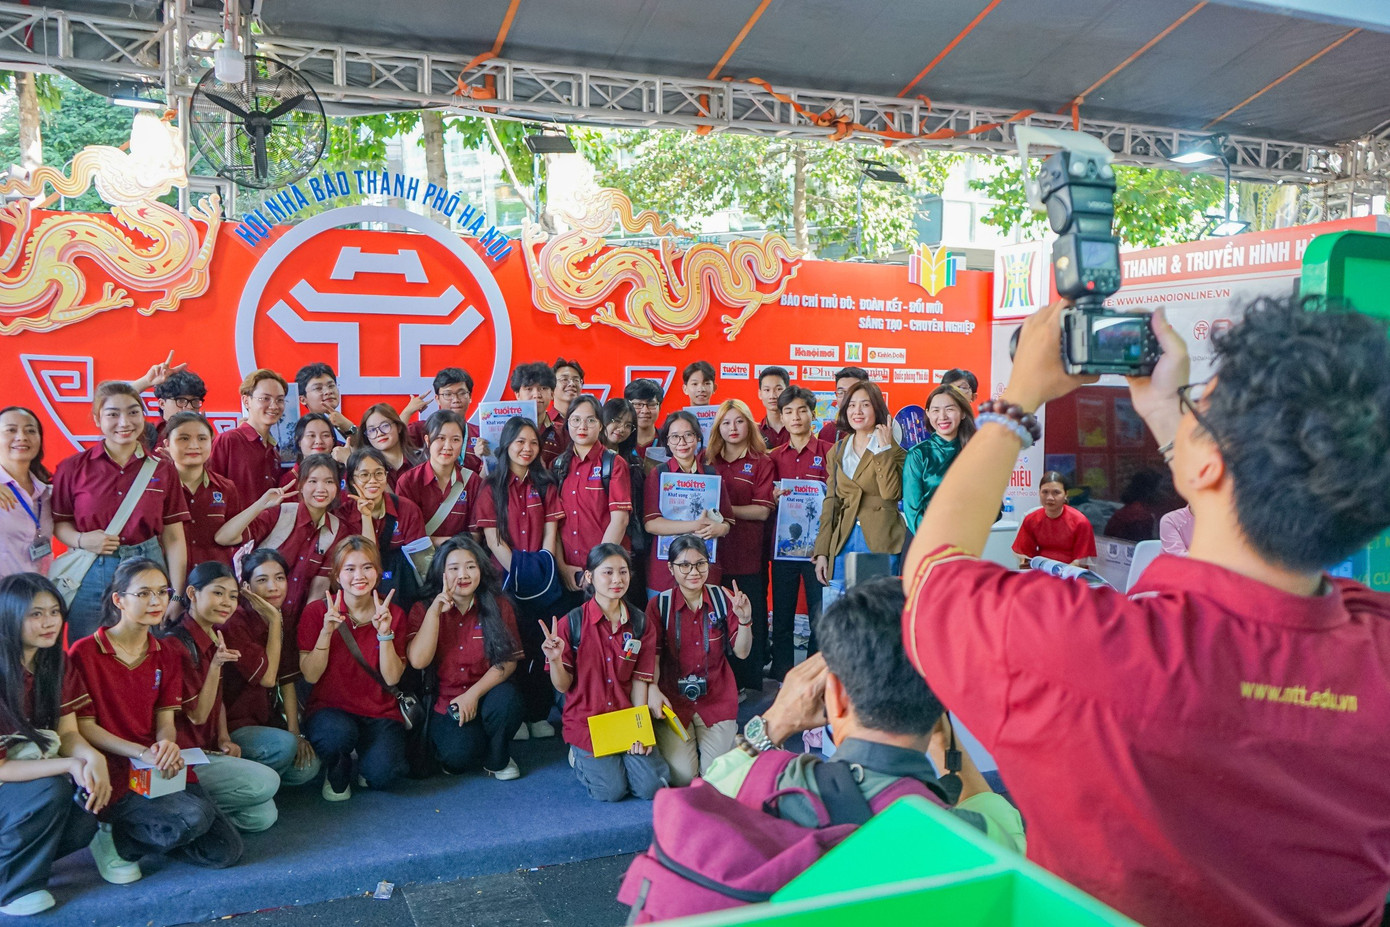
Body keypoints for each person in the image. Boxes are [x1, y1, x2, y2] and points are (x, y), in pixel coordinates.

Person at [903, 296, 1390, 927]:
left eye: (1199, 404)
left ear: (1209, 463)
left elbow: (933, 568)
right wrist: (1171, 415)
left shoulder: (1088, 650)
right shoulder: (1375, 645)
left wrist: (1016, 402)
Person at [704, 576, 1022, 842]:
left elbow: (708, 793)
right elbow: (998, 817)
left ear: (837, 696)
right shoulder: (984, 835)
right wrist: (939, 728)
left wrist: (777, 719)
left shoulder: (766, 790)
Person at [70, 559, 241, 874]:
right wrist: (142, 752)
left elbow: (166, 719)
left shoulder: (165, 652)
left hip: (156, 766)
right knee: (193, 817)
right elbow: (84, 728)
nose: (156, 601)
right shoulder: (84, 652)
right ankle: (113, 835)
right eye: (144, 593)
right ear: (119, 600)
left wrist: (166, 745)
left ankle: (146, 833)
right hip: (114, 769)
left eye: (163, 592)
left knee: (225, 851)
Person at [0, 573, 109, 915]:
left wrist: (92, 758)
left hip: (25, 769)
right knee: (51, 790)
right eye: (35, 614)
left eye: (54, 612)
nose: (49, 622)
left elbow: (69, 733)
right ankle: (12, 888)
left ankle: (21, 861)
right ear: (9, 616)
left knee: (88, 806)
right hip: (9, 773)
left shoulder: (54, 661)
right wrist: (67, 764)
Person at [52, 381, 190, 639]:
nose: (124, 422)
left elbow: (173, 536)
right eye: (113, 414)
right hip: (92, 571)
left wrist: (177, 595)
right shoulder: (72, 468)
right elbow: (60, 524)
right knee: (88, 654)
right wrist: (82, 539)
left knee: (147, 654)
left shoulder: (162, 468)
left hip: (148, 569)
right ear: (97, 419)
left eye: (133, 412)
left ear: (143, 415)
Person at [540, 543, 669, 802]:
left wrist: (638, 731)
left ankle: (619, 759)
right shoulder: (571, 623)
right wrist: (555, 660)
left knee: (651, 788)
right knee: (611, 791)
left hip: (624, 717)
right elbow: (563, 687)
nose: (617, 580)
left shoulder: (641, 623)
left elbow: (639, 682)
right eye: (607, 572)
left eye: (623, 572)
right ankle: (578, 755)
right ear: (589, 577)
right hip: (587, 722)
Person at [213, 453, 349, 684]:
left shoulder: (337, 530)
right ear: (300, 485)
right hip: (252, 622)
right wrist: (261, 504)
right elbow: (224, 537)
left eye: (329, 482)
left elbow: (319, 588)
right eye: (313, 481)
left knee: (287, 686)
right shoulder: (280, 514)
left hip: (294, 624)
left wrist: (308, 631)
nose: (321, 488)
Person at [166, 562, 281, 833]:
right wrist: (215, 666)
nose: (226, 603)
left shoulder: (215, 634)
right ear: (193, 594)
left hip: (209, 748)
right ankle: (184, 813)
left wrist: (225, 737)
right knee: (266, 783)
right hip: (185, 755)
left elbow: (218, 701)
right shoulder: (176, 644)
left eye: (232, 596)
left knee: (263, 817)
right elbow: (197, 715)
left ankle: (197, 816)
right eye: (218, 593)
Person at [297, 537, 410, 801]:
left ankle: (367, 762)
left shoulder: (393, 613)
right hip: (331, 710)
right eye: (349, 569)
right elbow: (310, 675)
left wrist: (385, 634)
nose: (359, 575)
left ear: (378, 573)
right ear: (337, 574)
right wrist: (326, 633)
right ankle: (337, 767)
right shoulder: (316, 613)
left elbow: (392, 677)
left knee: (382, 776)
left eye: (367, 567)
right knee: (336, 736)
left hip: (379, 710)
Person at [475, 416, 564, 739]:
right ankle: (516, 718)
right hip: (505, 580)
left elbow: (551, 531)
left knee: (542, 645)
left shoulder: (546, 484)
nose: (526, 449)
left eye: (533, 443)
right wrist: (519, 571)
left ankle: (538, 712)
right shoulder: (491, 486)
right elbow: (492, 537)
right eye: (519, 442)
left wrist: (543, 567)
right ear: (506, 445)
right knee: (511, 647)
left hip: (543, 578)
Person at [407, 537, 524, 779]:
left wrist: (473, 695)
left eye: (471, 566)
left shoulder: (498, 605)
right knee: (457, 759)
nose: (464, 574)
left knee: (509, 700)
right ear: (441, 572)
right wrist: (434, 613)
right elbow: (418, 661)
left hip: (488, 693)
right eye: (454, 568)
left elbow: (508, 661)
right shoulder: (422, 608)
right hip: (446, 702)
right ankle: (479, 740)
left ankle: (498, 758)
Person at [646, 535, 751, 785]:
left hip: (716, 697)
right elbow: (654, 658)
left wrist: (745, 619)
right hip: (674, 702)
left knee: (715, 777)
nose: (693, 572)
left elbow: (743, 652)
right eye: (684, 565)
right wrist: (652, 689)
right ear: (671, 568)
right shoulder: (659, 605)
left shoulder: (723, 599)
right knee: (683, 777)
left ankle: (728, 741)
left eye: (700, 564)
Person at [220, 549, 319, 787]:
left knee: (309, 767)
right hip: (234, 727)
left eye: (280, 578)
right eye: (262, 580)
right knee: (284, 747)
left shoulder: (284, 614)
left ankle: (261, 779)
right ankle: (245, 782)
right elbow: (267, 678)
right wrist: (275, 622)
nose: (274, 587)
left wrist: (296, 733)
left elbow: (287, 679)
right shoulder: (236, 621)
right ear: (246, 587)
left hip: (266, 721)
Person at [811, 380, 904, 609]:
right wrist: (822, 550)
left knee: (876, 612)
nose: (857, 411)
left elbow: (891, 493)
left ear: (878, 409)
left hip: (879, 537)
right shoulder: (839, 449)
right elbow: (831, 501)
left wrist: (883, 450)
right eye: (852, 405)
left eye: (865, 405)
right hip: (843, 537)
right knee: (840, 611)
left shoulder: (895, 449)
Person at [706, 400, 773, 693]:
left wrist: (723, 510)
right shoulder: (706, 461)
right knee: (714, 623)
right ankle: (718, 683)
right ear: (718, 428)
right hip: (709, 557)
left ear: (749, 424)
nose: (733, 428)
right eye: (726, 423)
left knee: (747, 619)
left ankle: (746, 684)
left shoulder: (762, 462)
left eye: (739, 421)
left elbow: (762, 511)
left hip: (746, 556)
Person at [767, 387, 830, 680]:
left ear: (812, 414)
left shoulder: (830, 452)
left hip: (819, 550)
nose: (795, 417)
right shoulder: (772, 457)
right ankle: (783, 674)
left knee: (819, 617)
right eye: (789, 411)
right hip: (784, 550)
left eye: (802, 410)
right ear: (781, 416)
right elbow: (763, 498)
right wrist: (773, 496)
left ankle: (814, 675)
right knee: (782, 615)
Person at [643, 412, 733, 598]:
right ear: (667, 441)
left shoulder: (711, 475)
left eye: (688, 435)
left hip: (704, 569)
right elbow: (651, 524)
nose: (681, 442)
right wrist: (695, 526)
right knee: (662, 622)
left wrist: (720, 528)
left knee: (706, 623)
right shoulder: (658, 474)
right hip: (664, 569)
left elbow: (728, 521)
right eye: (674, 437)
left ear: (698, 438)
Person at [553, 396, 633, 605]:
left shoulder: (613, 463)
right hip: (571, 574)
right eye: (576, 420)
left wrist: (596, 570)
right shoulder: (559, 465)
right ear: (567, 423)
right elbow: (555, 523)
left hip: (606, 575)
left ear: (601, 425)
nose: (582, 426)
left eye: (590, 420)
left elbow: (620, 520)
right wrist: (562, 567)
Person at [342, 447, 426, 604]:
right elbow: (367, 560)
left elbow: (422, 562)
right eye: (364, 475)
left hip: (401, 589)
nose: (373, 480)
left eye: (379, 473)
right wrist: (366, 517)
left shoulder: (407, 509)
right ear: (352, 481)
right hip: (358, 589)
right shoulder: (343, 514)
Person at [164, 412, 242, 570]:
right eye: (184, 438)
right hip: (166, 584)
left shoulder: (226, 488)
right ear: (167, 444)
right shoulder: (157, 488)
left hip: (214, 584)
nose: (194, 445)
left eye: (202, 438)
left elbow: (234, 536)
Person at [395, 410, 483, 547]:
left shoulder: (473, 481)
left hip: (460, 560)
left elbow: (475, 536)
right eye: (440, 438)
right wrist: (456, 541)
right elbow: (407, 536)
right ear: (427, 440)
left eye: (455, 440)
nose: (447, 447)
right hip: (420, 563)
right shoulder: (408, 481)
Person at [208, 369, 287, 507]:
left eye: (279, 400)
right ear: (246, 401)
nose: (274, 406)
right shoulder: (229, 440)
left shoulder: (273, 450)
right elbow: (210, 490)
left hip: (268, 526)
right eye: (265, 399)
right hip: (235, 526)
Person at [902, 384, 976, 531]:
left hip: (967, 540)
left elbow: (992, 504)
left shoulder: (975, 452)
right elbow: (912, 510)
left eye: (949, 409)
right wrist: (934, 541)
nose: (942, 416)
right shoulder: (918, 454)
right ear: (928, 414)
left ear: (962, 413)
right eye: (936, 410)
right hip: (927, 541)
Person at [0, 407, 54, 579]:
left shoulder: (47, 493)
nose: (22, 437)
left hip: (37, 595)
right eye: (11, 430)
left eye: (31, 430)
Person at [400, 367, 486, 470]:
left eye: (462, 393)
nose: (456, 400)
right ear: (437, 399)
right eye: (448, 394)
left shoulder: (481, 434)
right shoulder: (422, 429)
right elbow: (394, 442)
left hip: (470, 485)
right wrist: (407, 412)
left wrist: (486, 459)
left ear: (470, 397)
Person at [1012, 471, 1096, 567]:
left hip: (1071, 574)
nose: (1050, 498)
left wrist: (1061, 573)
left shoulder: (1080, 522)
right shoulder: (1031, 519)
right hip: (1041, 572)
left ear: (1066, 494)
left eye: (1056, 492)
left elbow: (1081, 560)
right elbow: (1025, 555)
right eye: (1045, 492)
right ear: (1039, 493)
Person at [350, 403, 422, 490]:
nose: (379, 433)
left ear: (398, 427)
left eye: (385, 426)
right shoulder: (368, 470)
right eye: (372, 430)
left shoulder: (421, 458)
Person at [511, 361, 569, 466]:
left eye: (543, 388)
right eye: (529, 389)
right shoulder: (506, 430)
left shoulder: (563, 432)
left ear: (552, 394)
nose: (536, 395)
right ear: (517, 395)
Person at [294, 363, 358, 443]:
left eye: (331, 386)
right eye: (318, 388)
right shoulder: (300, 432)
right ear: (303, 399)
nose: (328, 392)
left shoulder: (343, 425)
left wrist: (349, 427)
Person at [145, 369, 206, 449]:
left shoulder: (205, 436)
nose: (190, 407)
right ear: (162, 403)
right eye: (181, 401)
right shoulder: (146, 435)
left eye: (195, 401)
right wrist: (145, 381)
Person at [281, 413, 347, 487]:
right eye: (311, 435)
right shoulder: (289, 480)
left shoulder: (344, 476)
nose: (319, 441)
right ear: (299, 441)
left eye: (325, 435)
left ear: (333, 440)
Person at [1104, 469, 1168, 542]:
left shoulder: (1139, 509)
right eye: (1161, 488)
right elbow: (1144, 547)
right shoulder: (1139, 515)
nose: (1164, 492)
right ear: (1149, 490)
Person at [817, 367, 870, 444]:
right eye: (841, 392)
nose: (846, 397)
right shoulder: (828, 432)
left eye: (852, 391)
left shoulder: (880, 431)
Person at [623, 379, 664, 460]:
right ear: (627, 406)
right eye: (638, 404)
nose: (645, 411)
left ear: (660, 407)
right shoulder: (620, 441)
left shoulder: (668, 441)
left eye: (651, 404)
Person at [756, 367, 791, 449]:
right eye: (767, 390)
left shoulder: (798, 428)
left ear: (787, 391)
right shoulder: (754, 432)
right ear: (760, 394)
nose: (772, 396)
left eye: (778, 389)